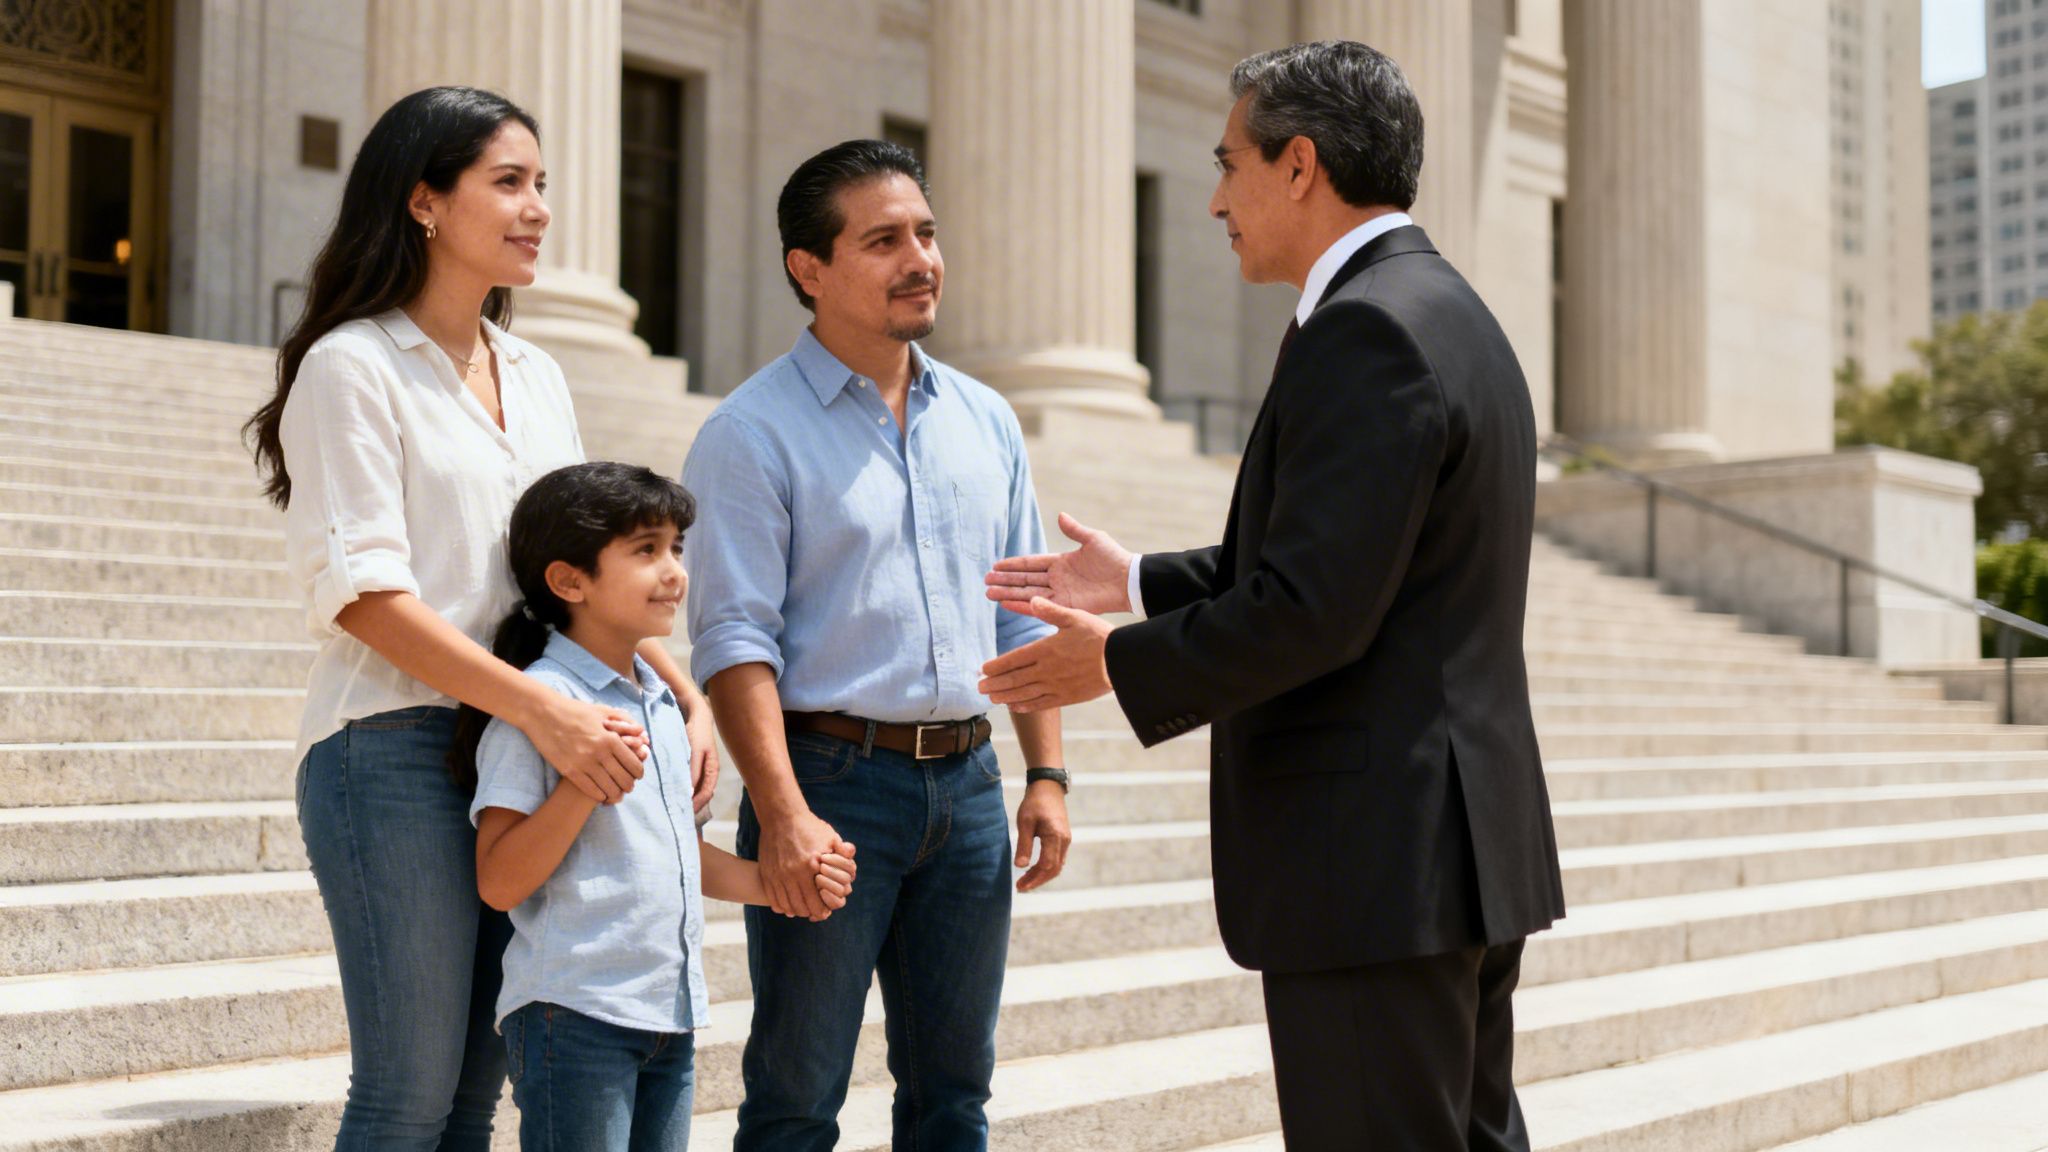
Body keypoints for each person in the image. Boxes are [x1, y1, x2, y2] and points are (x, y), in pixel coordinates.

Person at [978, 42, 1566, 1150]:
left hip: (1376, 864)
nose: (1212, 199)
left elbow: (1314, 610)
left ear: (1298, 166)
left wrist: (1110, 659)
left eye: (1227, 162)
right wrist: (1143, 581)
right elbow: (1361, 562)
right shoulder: (1446, 310)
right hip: (1449, 853)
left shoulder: (1366, 328)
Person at [242, 86, 719, 1150]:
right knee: (407, 1093)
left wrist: (679, 694)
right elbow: (363, 593)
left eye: (540, 183)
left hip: (518, 740)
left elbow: (580, 563)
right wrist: (546, 718)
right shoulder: (350, 364)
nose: (539, 207)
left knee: (473, 1094)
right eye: (508, 182)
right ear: (421, 201)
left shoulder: (538, 373)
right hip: (394, 750)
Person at [681, 139, 1073, 1151]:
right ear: (806, 270)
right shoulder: (749, 433)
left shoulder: (984, 420)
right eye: (884, 240)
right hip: (829, 786)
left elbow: (1023, 609)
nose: (921, 260)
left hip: (970, 788)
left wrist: (1048, 775)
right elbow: (733, 643)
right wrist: (783, 817)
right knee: (796, 1096)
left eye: (927, 234)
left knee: (954, 1092)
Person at [452, 461, 857, 1152]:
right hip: (572, 1012)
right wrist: (584, 783)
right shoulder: (544, 707)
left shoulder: (661, 704)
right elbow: (499, 880)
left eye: (675, 547)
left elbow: (675, 853)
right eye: (645, 550)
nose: (675, 571)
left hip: (667, 1014)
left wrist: (782, 884)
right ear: (568, 580)